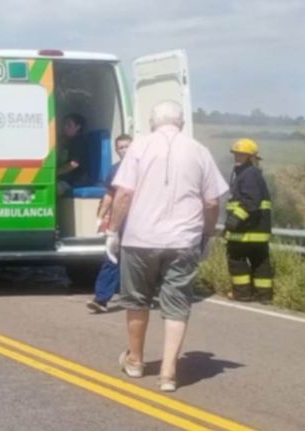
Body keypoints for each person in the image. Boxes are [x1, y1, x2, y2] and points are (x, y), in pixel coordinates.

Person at [105, 100, 227, 392]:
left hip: (139, 239)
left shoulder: (139, 147)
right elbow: (211, 202)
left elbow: (123, 195)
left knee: (136, 300)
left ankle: (135, 361)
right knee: (177, 304)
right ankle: (169, 372)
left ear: (152, 123)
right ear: (181, 123)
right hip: (183, 241)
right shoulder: (200, 151)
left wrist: (112, 231)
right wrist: (207, 235)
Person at [87, 134, 133, 313]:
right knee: (112, 257)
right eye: (121, 147)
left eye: (127, 146)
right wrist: (101, 216)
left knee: (139, 259)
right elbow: (109, 195)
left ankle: (145, 293)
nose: (124, 150)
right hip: (121, 220)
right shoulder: (115, 170)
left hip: (141, 221)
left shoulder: (145, 168)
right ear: (116, 150)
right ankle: (101, 299)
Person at [224, 138, 274, 302]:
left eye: (242, 154)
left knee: (237, 260)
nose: (237, 156)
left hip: (245, 230)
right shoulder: (251, 173)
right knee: (260, 261)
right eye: (236, 153)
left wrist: (233, 220)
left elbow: (250, 201)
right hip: (258, 230)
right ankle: (264, 295)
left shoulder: (248, 174)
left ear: (251, 157)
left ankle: (242, 293)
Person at [57, 113, 87, 196]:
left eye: (69, 125)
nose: (65, 127)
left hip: (74, 181)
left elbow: (74, 164)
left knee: (50, 190)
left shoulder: (78, 142)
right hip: (66, 180)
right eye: (64, 124)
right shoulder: (68, 141)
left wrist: (55, 173)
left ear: (78, 127)